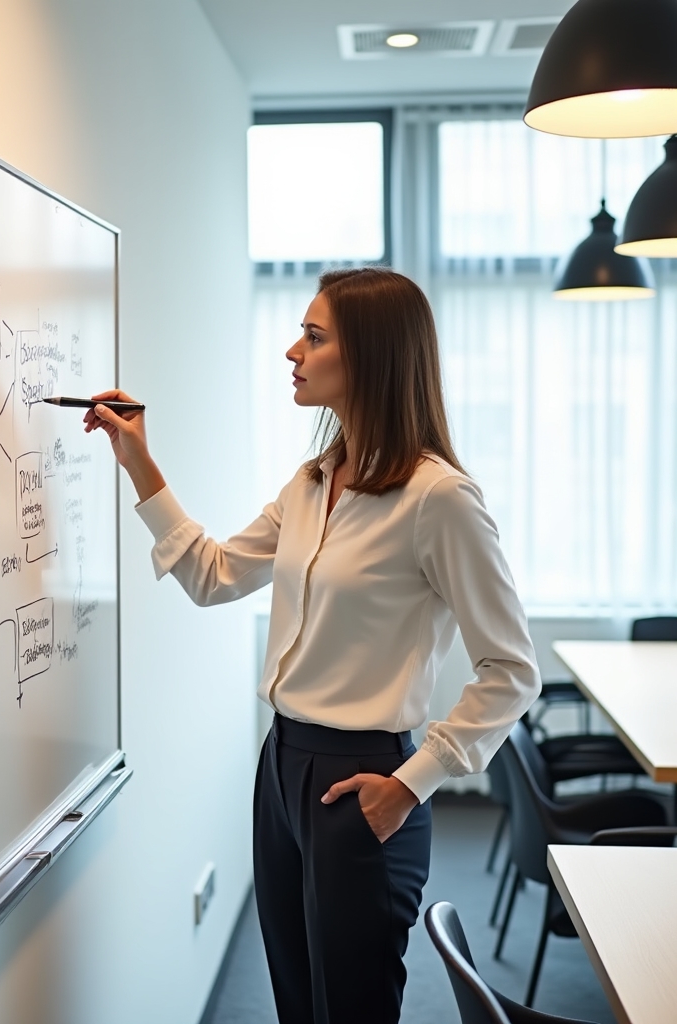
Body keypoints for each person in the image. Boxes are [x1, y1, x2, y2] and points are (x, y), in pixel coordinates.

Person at [82, 267, 540, 1024]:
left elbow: (512, 670)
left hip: (365, 781)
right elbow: (212, 575)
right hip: (281, 768)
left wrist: (412, 784)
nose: (293, 351)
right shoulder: (311, 482)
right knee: (297, 1004)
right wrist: (138, 461)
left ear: (371, 356)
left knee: (352, 1010)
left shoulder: (439, 499)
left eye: (314, 336)